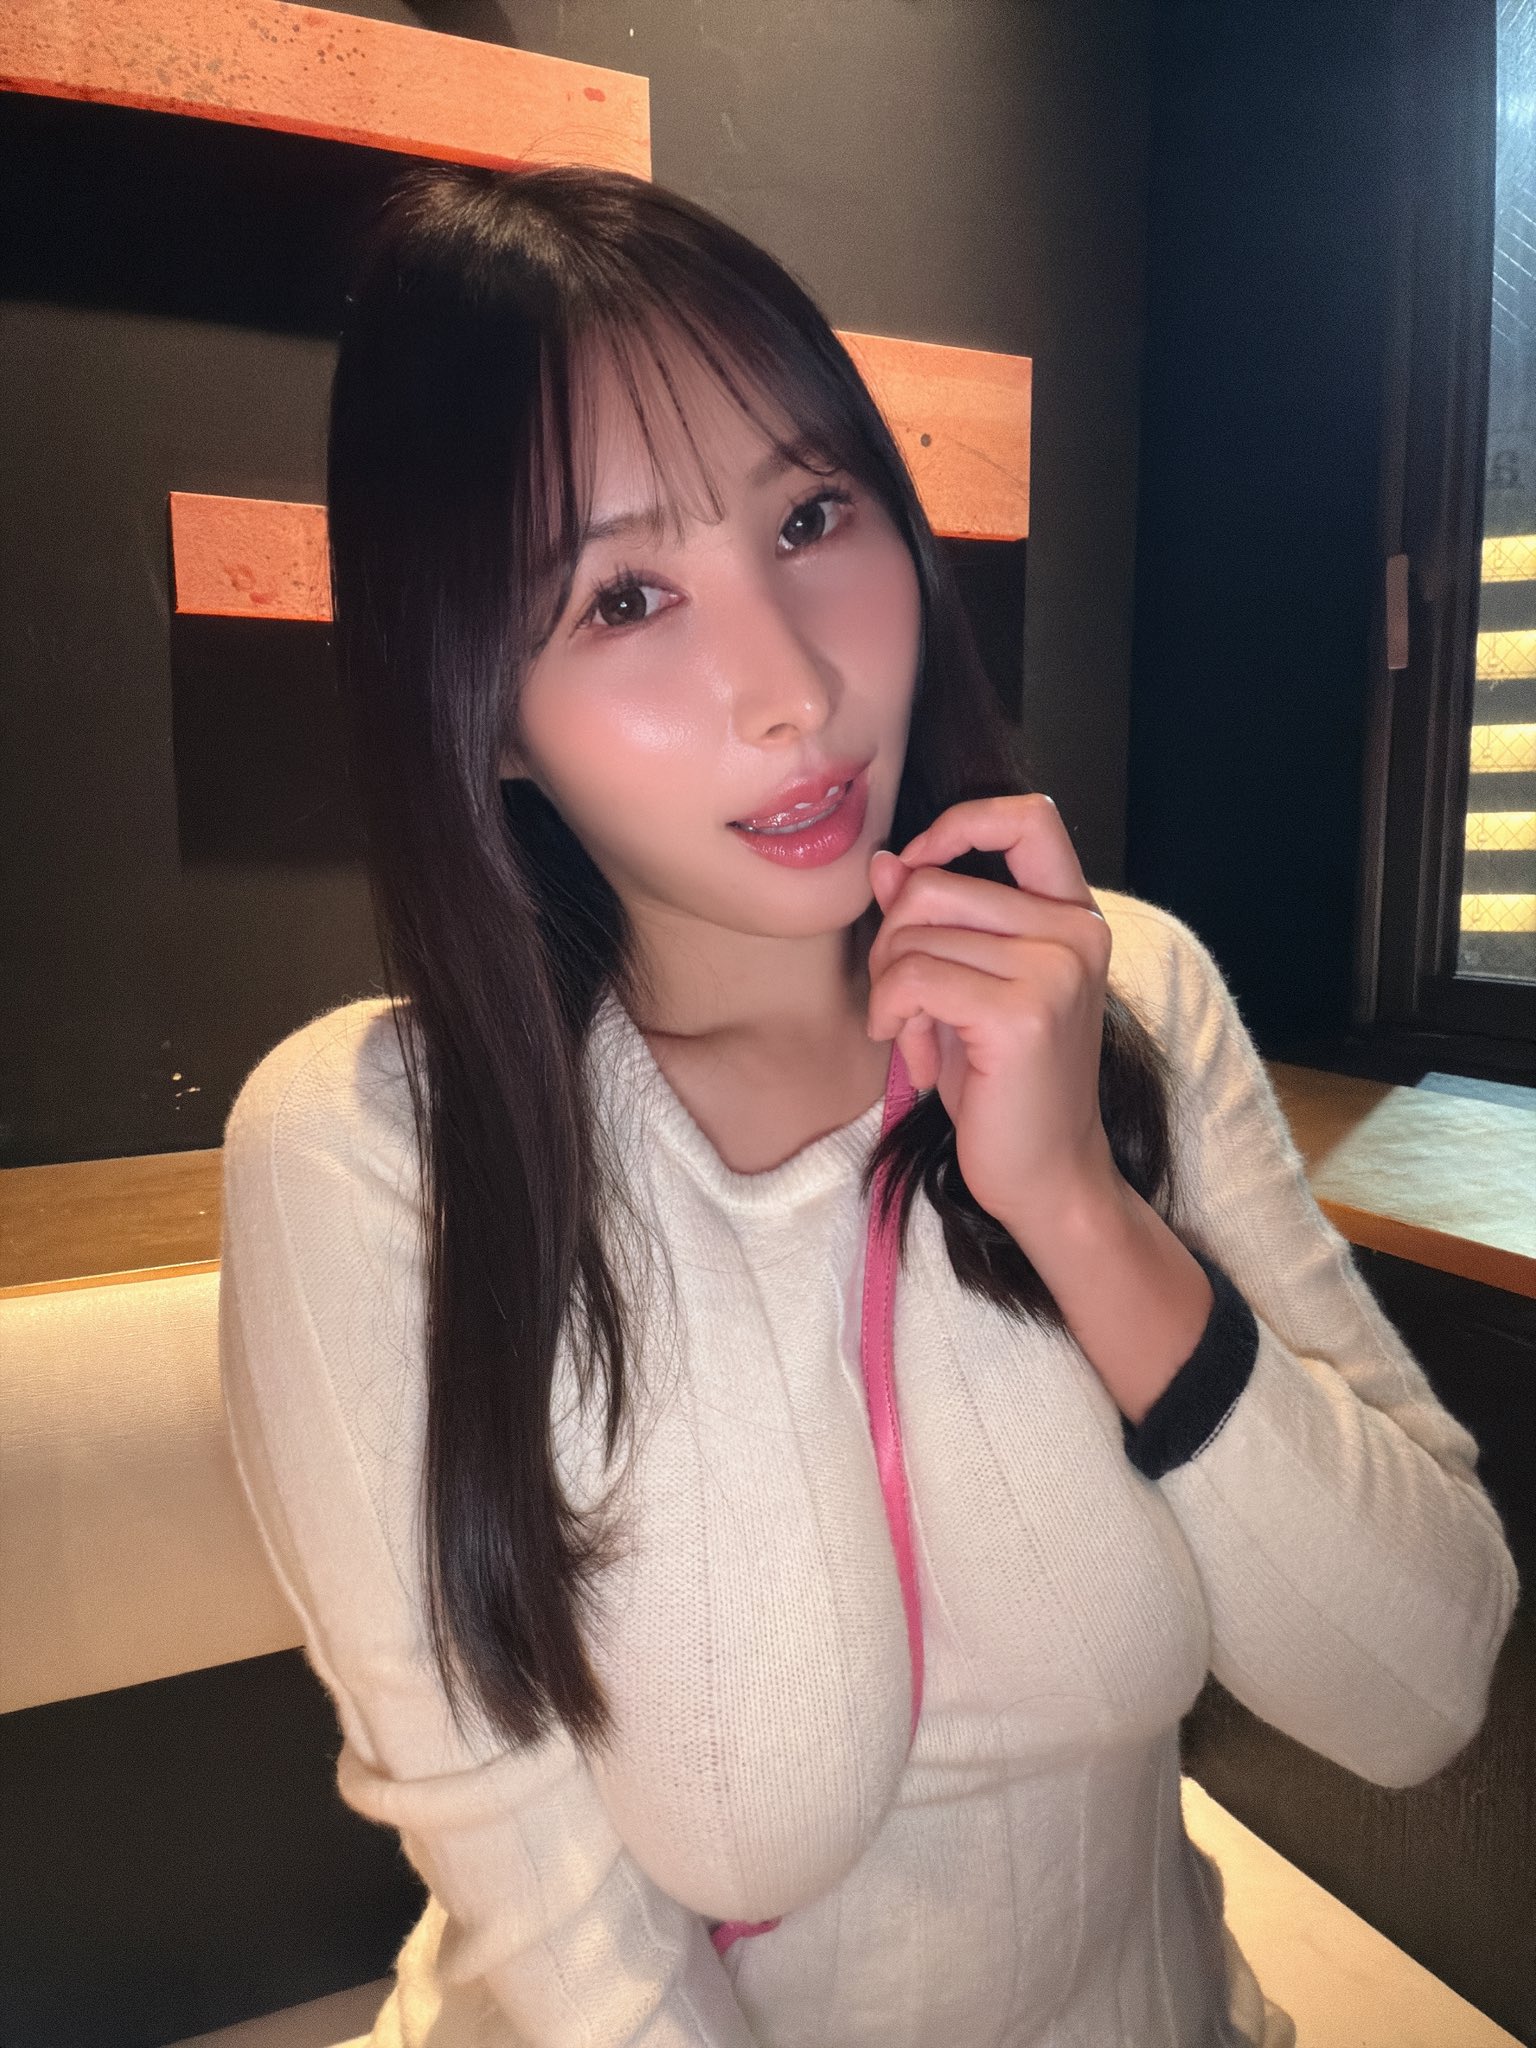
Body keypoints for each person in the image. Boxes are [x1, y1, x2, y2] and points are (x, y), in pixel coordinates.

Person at [217, 161, 1518, 2048]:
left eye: (811, 514)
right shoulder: (382, 1154)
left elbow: (1425, 1688)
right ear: (481, 709)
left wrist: (1074, 1202)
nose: (793, 687)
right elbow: (572, 1950)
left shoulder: (1123, 990)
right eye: (625, 596)